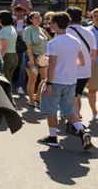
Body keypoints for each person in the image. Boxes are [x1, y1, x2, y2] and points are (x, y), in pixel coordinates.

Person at [38, 12, 92, 150]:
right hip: (71, 80)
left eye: (50, 23)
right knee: (69, 110)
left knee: (51, 109)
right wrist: (67, 61)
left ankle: (52, 137)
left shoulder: (53, 43)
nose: (49, 25)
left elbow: (51, 67)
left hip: (56, 81)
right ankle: (82, 131)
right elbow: (81, 62)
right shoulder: (75, 41)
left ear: (55, 25)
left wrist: (48, 84)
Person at [65, 7, 97, 121]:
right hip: (85, 70)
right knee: (77, 94)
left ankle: (75, 119)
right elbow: (94, 52)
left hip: (69, 70)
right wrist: (89, 64)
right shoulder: (89, 32)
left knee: (71, 95)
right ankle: (76, 117)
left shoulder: (66, 32)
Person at [23, 11, 50, 107]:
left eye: (39, 17)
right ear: (30, 19)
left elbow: (50, 39)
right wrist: (31, 59)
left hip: (43, 57)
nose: (38, 19)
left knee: (44, 78)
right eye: (35, 17)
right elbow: (27, 46)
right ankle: (31, 100)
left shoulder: (41, 29)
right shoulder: (28, 29)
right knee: (33, 79)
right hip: (32, 56)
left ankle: (38, 97)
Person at [0, 10, 19, 87]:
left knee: (3, 81)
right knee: (8, 80)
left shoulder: (4, 31)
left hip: (6, 57)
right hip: (14, 56)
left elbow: (4, 48)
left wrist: (0, 61)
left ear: (1, 19)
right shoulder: (12, 28)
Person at [88, 8, 98, 121]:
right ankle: (94, 112)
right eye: (95, 16)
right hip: (94, 63)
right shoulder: (88, 31)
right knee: (92, 89)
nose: (97, 18)